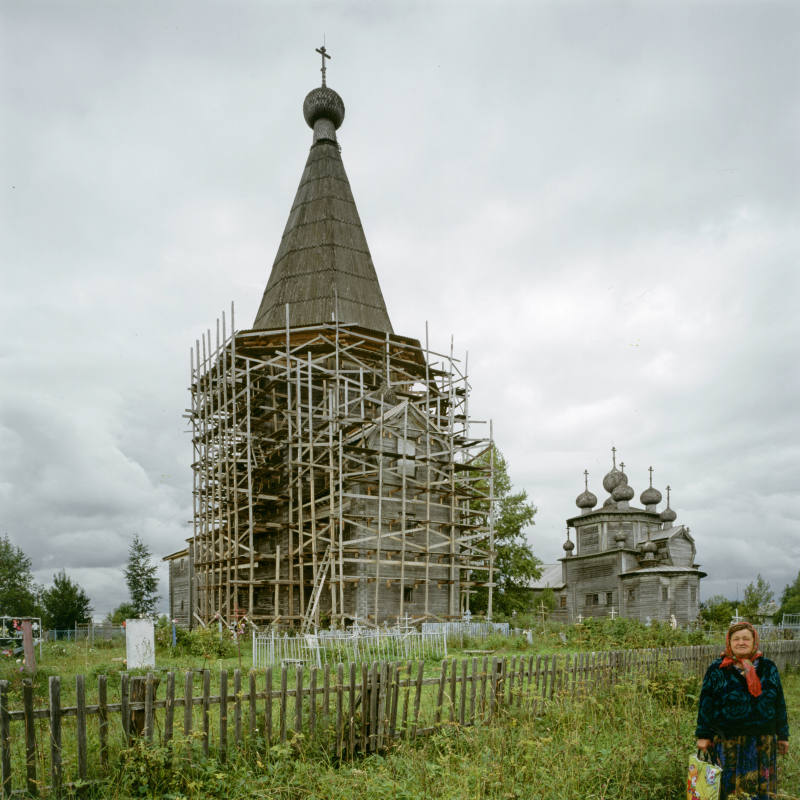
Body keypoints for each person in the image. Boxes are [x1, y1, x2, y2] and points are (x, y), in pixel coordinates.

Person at [695, 621, 790, 799]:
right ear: (729, 643)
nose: (741, 642)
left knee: (761, 790)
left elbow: (779, 703)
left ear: (754, 641)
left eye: (746, 638)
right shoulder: (717, 669)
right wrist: (703, 735)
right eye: (736, 639)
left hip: (763, 741)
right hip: (727, 741)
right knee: (728, 789)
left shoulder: (769, 668)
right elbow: (706, 703)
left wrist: (783, 735)